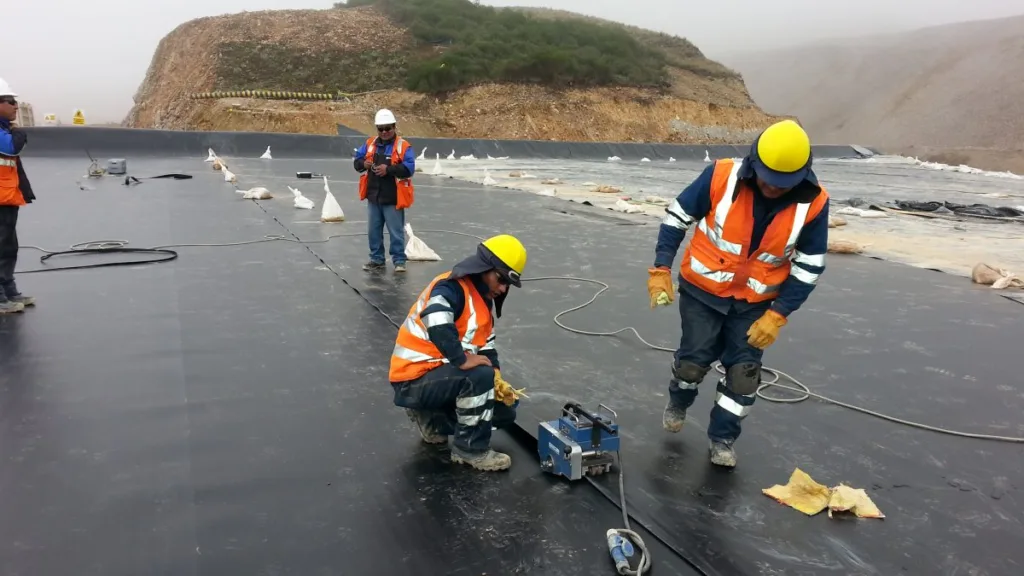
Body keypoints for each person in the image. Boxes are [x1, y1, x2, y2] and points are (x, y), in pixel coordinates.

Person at [647, 119, 829, 468]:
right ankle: (679, 402)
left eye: (783, 184)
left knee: (743, 376)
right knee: (692, 364)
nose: (772, 188)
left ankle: (722, 439)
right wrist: (660, 269)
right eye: (767, 179)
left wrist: (778, 315)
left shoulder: (815, 203)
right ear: (753, 163)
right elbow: (675, 218)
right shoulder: (720, 177)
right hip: (703, 293)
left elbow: (809, 266)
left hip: (755, 305)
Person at [389, 234, 528, 472]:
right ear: (484, 268)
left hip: (440, 378)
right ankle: (470, 450)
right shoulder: (451, 287)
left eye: (507, 284)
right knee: (478, 375)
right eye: (501, 279)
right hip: (413, 379)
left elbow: (486, 347)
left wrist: (496, 378)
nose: (503, 288)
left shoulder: (482, 303)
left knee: (504, 412)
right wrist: (461, 359)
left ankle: (432, 420)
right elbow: (436, 318)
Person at [353, 108, 415, 273]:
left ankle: (399, 261)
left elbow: (409, 168)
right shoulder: (370, 144)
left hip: (393, 197)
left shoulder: (403, 146)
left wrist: (388, 169)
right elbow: (357, 162)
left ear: (394, 127)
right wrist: (363, 164)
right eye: (381, 129)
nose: (384, 132)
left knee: (396, 232)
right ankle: (377, 260)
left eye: (388, 128)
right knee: (373, 231)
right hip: (374, 196)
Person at [0, 78, 34, 315]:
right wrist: (18, 132)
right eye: (10, 101)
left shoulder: (4, 129)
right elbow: (11, 147)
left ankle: (9, 291)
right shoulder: (6, 133)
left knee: (8, 247)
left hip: (7, 196)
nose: (15, 106)